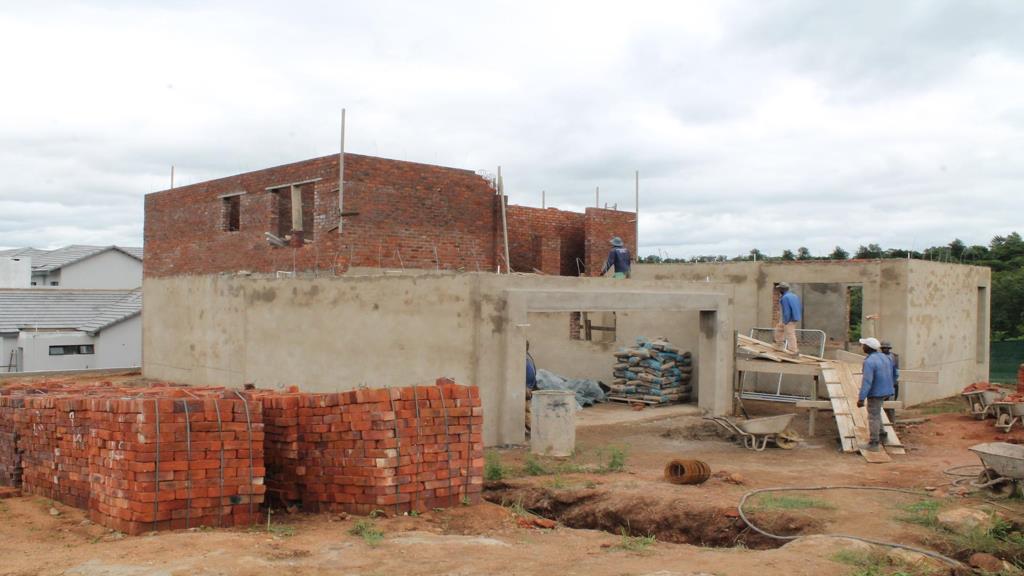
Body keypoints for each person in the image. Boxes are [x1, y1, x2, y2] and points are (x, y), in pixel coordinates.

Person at [856, 337, 895, 452]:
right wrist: (890, 389)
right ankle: (882, 435)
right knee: (877, 414)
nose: (862, 347)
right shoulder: (886, 357)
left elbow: (867, 381)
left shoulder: (869, 362)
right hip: (886, 390)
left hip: (876, 392)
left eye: (864, 345)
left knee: (873, 416)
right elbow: (893, 374)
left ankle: (874, 443)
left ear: (868, 347)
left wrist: (861, 398)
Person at [773, 282, 802, 356]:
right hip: (794, 316)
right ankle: (779, 346)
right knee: (779, 329)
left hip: (789, 318)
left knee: (790, 334)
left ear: (782, 289)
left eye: (779, 289)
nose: (778, 290)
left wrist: (785, 321)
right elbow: (799, 306)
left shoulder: (785, 298)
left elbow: (787, 311)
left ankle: (793, 350)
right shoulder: (794, 295)